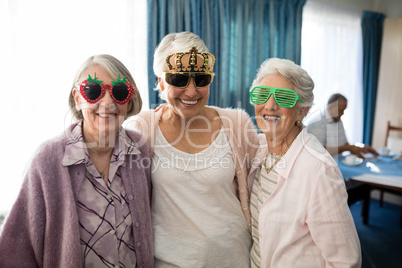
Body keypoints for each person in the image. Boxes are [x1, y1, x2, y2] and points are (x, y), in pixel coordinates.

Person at [0, 55, 153, 267]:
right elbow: (15, 249)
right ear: (77, 98)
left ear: (129, 100)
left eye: (119, 92)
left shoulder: (141, 150)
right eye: (92, 90)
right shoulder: (47, 160)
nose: (107, 102)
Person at [127, 31, 259, 267]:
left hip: (234, 259)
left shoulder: (237, 124)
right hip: (168, 261)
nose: (191, 91)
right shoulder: (142, 129)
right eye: (178, 79)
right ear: (160, 81)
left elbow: (260, 191)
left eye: (200, 79)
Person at [247, 58, 361, 267]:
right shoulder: (258, 147)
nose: (270, 105)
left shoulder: (320, 170)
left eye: (284, 98)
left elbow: (346, 262)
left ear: (302, 110)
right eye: (262, 95)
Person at [307, 93, 378, 158]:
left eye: (344, 110)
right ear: (330, 107)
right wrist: (348, 148)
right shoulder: (317, 123)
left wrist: (360, 149)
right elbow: (319, 151)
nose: (342, 113)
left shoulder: (337, 120)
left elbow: (344, 144)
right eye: (340, 110)